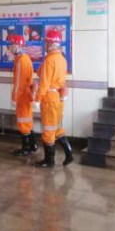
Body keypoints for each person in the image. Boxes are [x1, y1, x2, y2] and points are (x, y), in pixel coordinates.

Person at [33, 30, 73, 168]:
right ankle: (69, 153)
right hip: (58, 98)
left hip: (49, 99)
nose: (44, 45)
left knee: (48, 129)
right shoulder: (62, 58)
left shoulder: (50, 60)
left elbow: (44, 83)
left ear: (50, 44)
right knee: (56, 127)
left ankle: (49, 161)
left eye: (46, 42)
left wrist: (37, 99)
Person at [9, 35, 38, 157]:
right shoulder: (24, 58)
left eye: (12, 45)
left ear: (18, 45)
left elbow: (19, 82)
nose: (10, 47)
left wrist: (14, 97)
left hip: (22, 95)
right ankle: (32, 145)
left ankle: (26, 148)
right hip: (26, 94)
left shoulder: (21, 60)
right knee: (27, 121)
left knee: (23, 122)